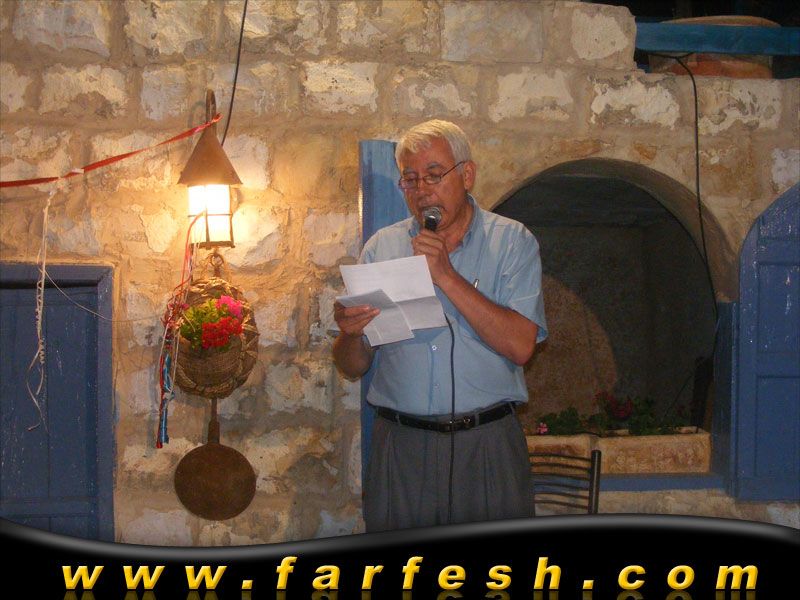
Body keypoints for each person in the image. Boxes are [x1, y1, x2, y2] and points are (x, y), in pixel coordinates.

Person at [333, 119, 547, 532]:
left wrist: (445, 274)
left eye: (434, 175)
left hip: (486, 446)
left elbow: (521, 346)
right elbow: (352, 365)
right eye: (410, 179)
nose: (422, 190)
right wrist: (350, 334)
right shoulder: (382, 248)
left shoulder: (512, 242)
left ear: (467, 175)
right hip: (403, 448)